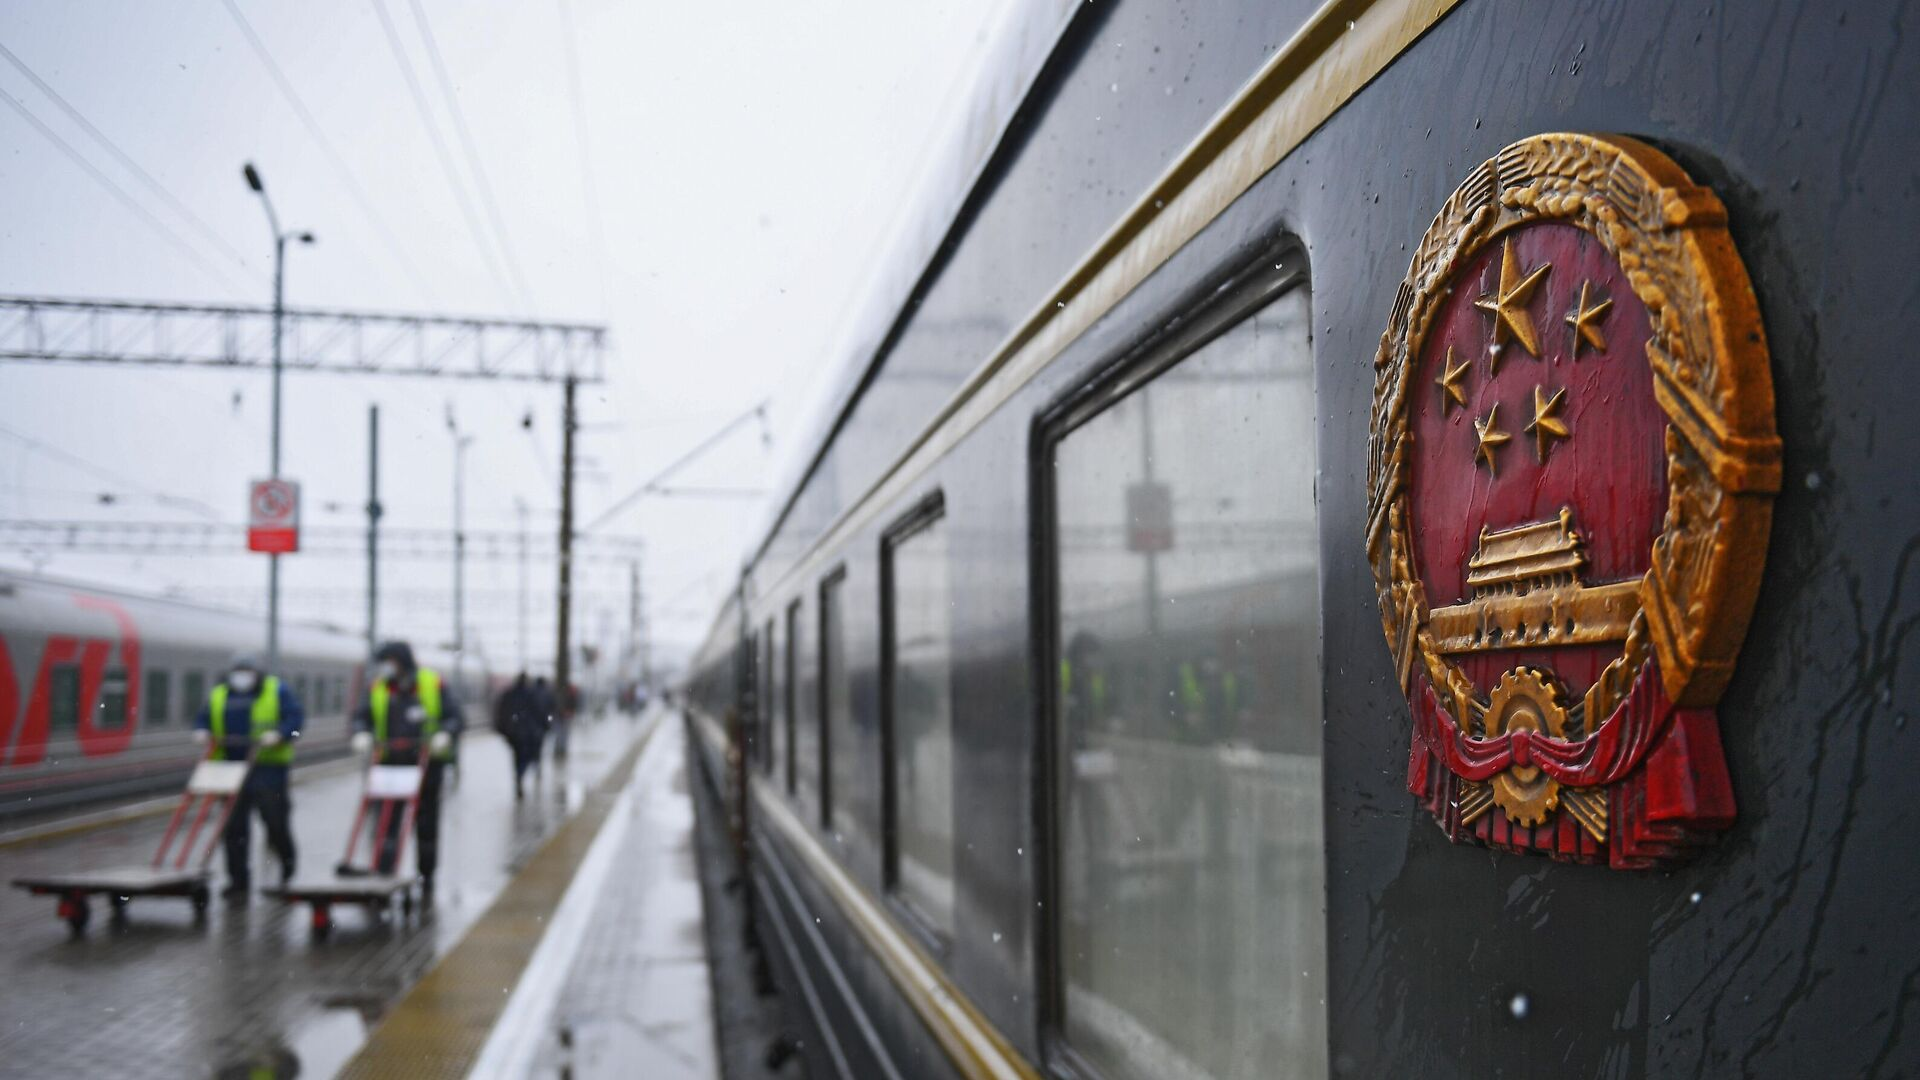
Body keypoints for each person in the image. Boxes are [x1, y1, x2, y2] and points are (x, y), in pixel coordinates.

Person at [351, 640, 463, 895]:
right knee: (385, 822)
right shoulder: (377, 687)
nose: (385, 668)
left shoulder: (432, 683)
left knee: (425, 824)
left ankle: (427, 875)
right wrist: (361, 733)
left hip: (426, 765)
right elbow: (362, 716)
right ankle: (383, 872)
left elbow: (454, 716)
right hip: (388, 764)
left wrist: (445, 734)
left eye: (389, 662)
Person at [193, 652, 302, 900]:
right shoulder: (220, 694)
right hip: (230, 767)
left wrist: (281, 734)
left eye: (247, 672)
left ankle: (287, 867)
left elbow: (295, 719)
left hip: (268, 767)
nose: (242, 678)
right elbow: (204, 717)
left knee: (275, 822)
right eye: (238, 672)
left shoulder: (277, 691)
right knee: (233, 828)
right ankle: (238, 881)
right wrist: (201, 730)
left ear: (257, 674)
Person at [494, 672, 545, 799]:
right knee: (525, 757)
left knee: (516, 757)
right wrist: (544, 727)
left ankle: (518, 776)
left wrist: (502, 729)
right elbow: (539, 713)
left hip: (513, 733)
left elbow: (501, 712)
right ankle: (520, 775)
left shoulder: (508, 694)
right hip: (527, 734)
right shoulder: (531, 695)